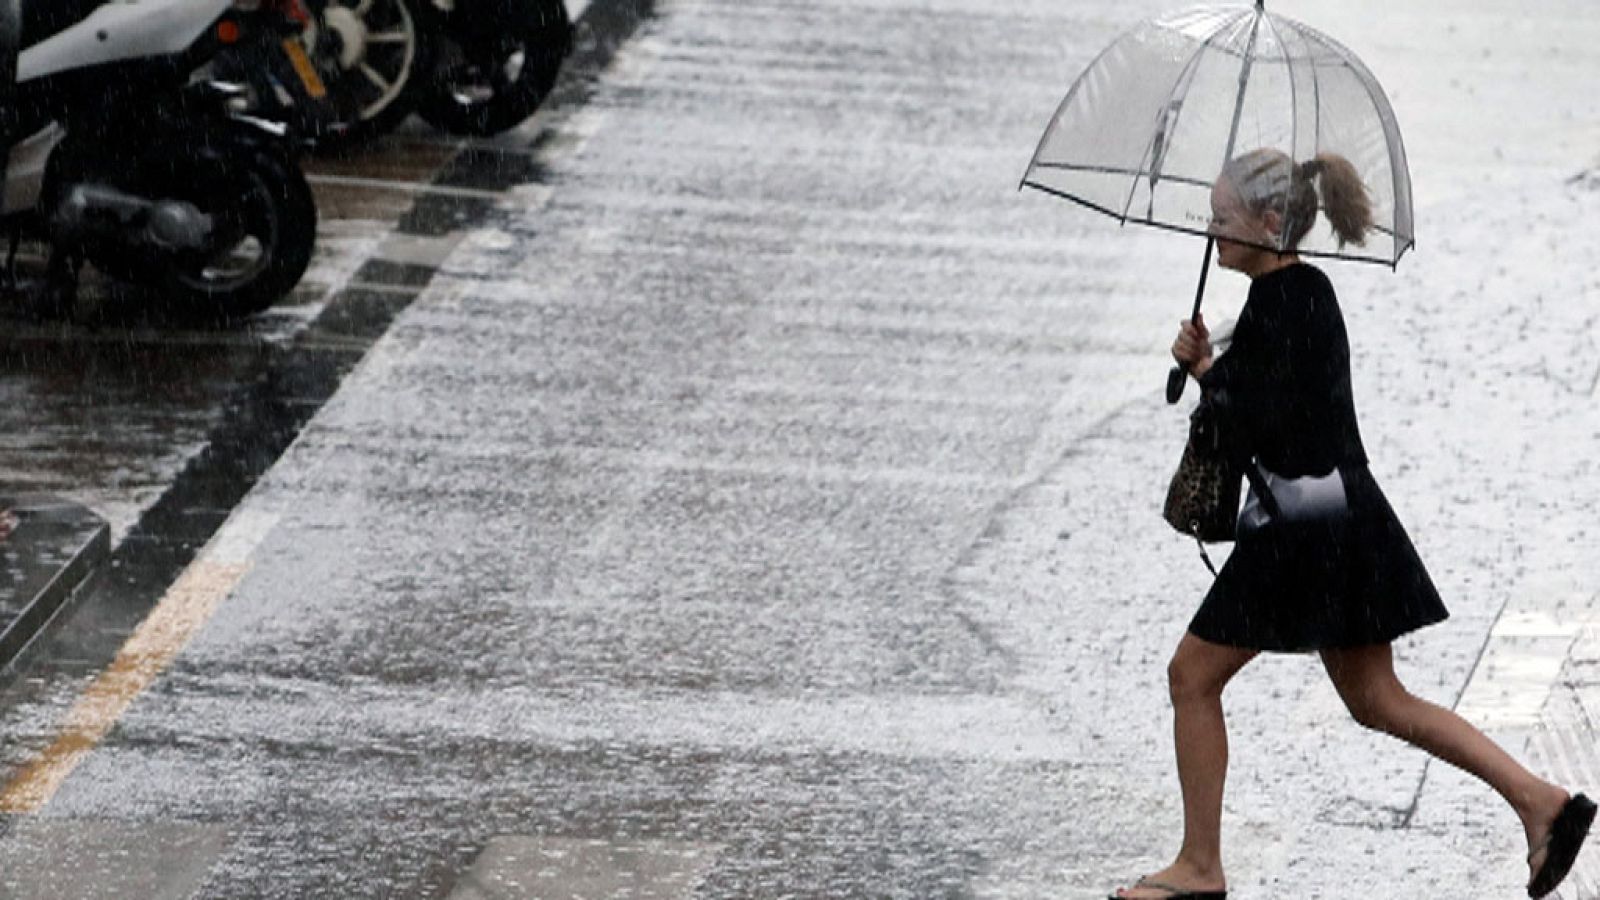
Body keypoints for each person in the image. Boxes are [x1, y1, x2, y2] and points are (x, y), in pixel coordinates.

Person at [1109, 148, 1595, 900]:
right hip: (1340, 523)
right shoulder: (1300, 295)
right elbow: (1281, 411)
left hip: (1303, 534)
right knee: (1379, 701)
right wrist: (1211, 367)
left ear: (1270, 223)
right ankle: (1541, 802)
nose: (1212, 234)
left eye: (1223, 219)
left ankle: (1200, 866)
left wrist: (1207, 375)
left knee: (1191, 678)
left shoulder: (1285, 305)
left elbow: (1270, 431)